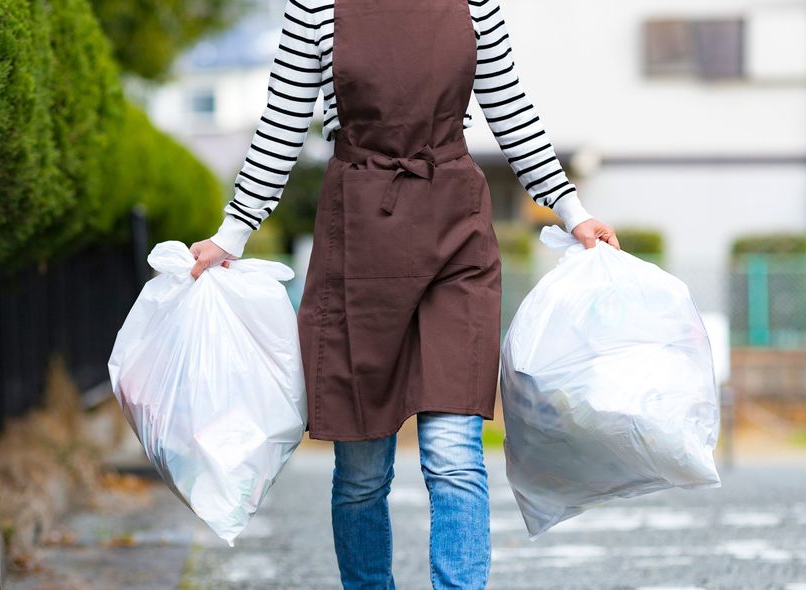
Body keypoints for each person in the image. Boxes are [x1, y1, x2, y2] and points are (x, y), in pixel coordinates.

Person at [189, 0, 619, 587]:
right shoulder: (314, 7)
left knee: (453, 456)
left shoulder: (475, 5)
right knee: (362, 470)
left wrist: (574, 212)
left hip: (456, 236)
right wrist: (233, 232)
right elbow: (283, 121)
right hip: (359, 239)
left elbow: (510, 110)